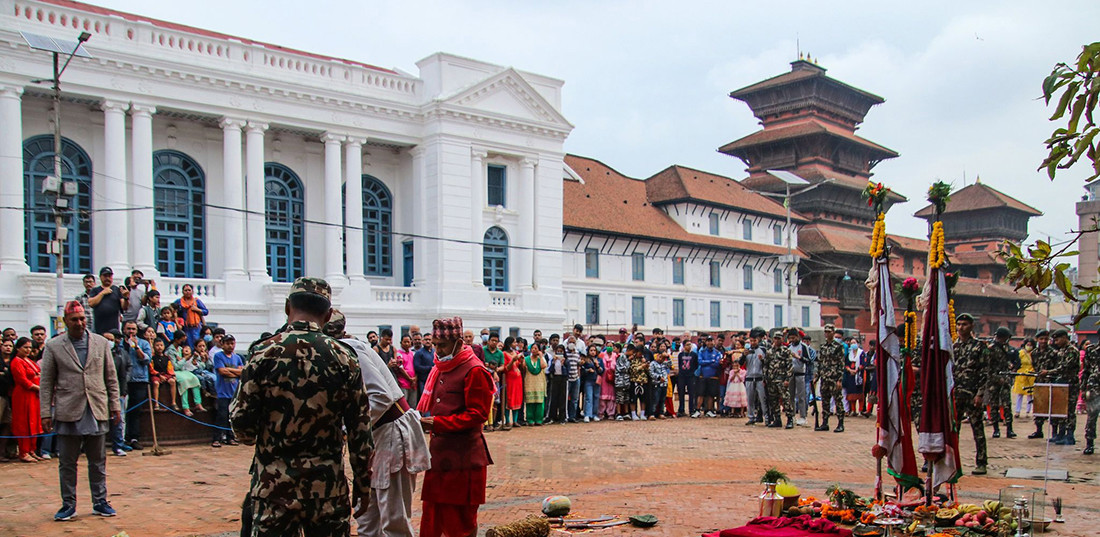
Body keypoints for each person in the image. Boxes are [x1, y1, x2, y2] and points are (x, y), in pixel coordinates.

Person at [231, 278, 373, 536]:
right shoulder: (345, 358)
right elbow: (360, 430)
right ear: (328, 314)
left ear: (288, 307)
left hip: (273, 488)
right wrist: (363, 485)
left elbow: (242, 426)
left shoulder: (262, 353)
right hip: (327, 490)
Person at [323, 310, 429, 537]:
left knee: (394, 521)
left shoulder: (352, 351)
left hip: (391, 436)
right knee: (367, 518)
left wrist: (347, 429)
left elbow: (380, 397)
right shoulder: (339, 353)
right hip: (375, 440)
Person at [39, 300, 122, 520]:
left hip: (96, 408)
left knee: (98, 460)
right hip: (68, 410)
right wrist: (45, 412)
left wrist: (115, 406)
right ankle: (68, 504)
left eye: (82, 319)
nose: (79, 323)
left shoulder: (101, 343)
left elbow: (111, 378)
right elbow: (46, 382)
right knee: (67, 462)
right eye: (74, 319)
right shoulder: (54, 346)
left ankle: (100, 501)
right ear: (65, 321)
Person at [416, 316, 494, 537]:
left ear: (459, 343)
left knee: (459, 521)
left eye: (442, 346)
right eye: (435, 345)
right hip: (440, 457)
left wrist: (439, 423)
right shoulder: (441, 367)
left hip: (465, 459)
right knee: (432, 516)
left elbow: (477, 414)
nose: (437, 351)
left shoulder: (474, 370)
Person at [953, 313, 990, 475]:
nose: (961, 327)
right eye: (959, 324)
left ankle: (981, 462)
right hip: (956, 393)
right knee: (954, 430)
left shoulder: (979, 347)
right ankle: (953, 461)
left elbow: (985, 372)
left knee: (977, 429)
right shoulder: (953, 347)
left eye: (965, 324)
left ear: (972, 326)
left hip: (972, 393)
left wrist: (980, 394)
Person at [1039, 329, 1081, 445]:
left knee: (1070, 410)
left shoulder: (1072, 351)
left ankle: (1070, 435)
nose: (1056, 342)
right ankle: (1060, 434)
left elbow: (1064, 367)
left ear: (1064, 338)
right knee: (1061, 409)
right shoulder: (1061, 350)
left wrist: (1048, 372)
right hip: (1061, 383)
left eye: (1057, 340)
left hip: (1071, 384)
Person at [10, 337, 43, 463]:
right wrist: (37, 388)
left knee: (34, 421)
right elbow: (22, 380)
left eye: (29, 347)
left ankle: (31, 450)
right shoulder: (16, 362)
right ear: (18, 348)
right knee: (24, 422)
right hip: (23, 395)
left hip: (33, 395)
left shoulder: (29, 361)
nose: (28, 350)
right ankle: (23, 451)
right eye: (25, 347)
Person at [121, 320, 151, 450]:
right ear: (124, 330)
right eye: (129, 329)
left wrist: (136, 347)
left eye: (133, 329)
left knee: (135, 411)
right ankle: (121, 438)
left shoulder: (143, 343)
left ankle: (133, 437)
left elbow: (146, 360)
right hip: (123, 381)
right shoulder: (121, 344)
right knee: (122, 410)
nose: (131, 331)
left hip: (139, 380)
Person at [987, 327, 1020, 438]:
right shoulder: (990, 349)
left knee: (1007, 405)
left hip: (1005, 379)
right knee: (994, 405)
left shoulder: (1009, 349)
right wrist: (996, 378)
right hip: (993, 380)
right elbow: (987, 367)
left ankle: (1009, 429)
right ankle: (996, 429)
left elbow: (1015, 362)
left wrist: (1013, 368)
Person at [103, 329, 131, 456]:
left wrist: (122, 390)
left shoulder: (119, 354)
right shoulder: (96, 354)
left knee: (118, 420)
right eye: (107, 339)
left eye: (111, 340)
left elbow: (123, 375)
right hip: (99, 392)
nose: (109, 342)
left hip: (116, 391)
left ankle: (118, 445)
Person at [212, 334, 243, 448]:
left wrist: (229, 370)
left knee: (232, 417)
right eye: (228, 343)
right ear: (222, 344)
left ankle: (230, 437)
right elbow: (222, 371)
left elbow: (241, 372)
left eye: (232, 343)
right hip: (223, 392)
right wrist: (234, 372)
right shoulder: (218, 356)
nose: (230, 346)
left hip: (234, 392)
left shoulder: (238, 357)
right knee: (222, 416)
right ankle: (217, 438)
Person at [816, 324, 846, 433]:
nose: (827, 334)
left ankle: (840, 423)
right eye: (826, 332)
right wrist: (817, 376)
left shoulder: (838, 346)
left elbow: (841, 364)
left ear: (833, 333)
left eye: (829, 332)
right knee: (825, 401)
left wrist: (839, 379)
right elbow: (820, 362)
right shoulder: (823, 346)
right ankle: (825, 423)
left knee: (838, 400)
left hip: (834, 377)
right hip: (824, 377)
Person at [765, 331, 795, 429]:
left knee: (786, 399)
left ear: (782, 339)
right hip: (771, 380)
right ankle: (777, 419)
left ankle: (790, 419)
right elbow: (766, 365)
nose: (777, 340)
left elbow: (790, 366)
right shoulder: (769, 351)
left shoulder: (786, 351)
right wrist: (765, 378)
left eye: (779, 338)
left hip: (782, 379)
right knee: (773, 401)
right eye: (776, 338)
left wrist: (787, 379)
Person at [88, 267, 129, 335]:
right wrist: (102, 293)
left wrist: (126, 298)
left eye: (109, 276)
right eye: (105, 276)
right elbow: (91, 303)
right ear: (100, 277)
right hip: (98, 328)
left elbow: (124, 307)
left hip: (114, 327)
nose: (107, 278)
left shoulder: (117, 290)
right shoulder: (95, 290)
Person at [1028, 330, 1052, 439]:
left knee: (1052, 406)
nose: (1043, 341)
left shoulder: (1053, 353)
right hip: (1038, 382)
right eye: (1041, 339)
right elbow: (1034, 366)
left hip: (1050, 382)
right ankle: (1038, 430)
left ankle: (1054, 432)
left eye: (1046, 339)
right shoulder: (1034, 353)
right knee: (1038, 406)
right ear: (1037, 340)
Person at [172, 341, 205, 417]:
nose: (186, 349)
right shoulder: (177, 354)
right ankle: (185, 407)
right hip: (177, 372)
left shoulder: (193, 357)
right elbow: (177, 366)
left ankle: (198, 403)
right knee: (184, 383)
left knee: (195, 379)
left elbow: (199, 366)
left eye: (188, 348)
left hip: (186, 372)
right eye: (185, 348)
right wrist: (184, 358)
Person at [744, 328, 769, 426]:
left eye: (755, 341)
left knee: (763, 399)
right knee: (750, 399)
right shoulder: (747, 351)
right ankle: (751, 417)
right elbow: (741, 363)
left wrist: (762, 360)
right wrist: (743, 355)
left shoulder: (763, 350)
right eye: (751, 341)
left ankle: (766, 418)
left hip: (760, 377)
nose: (753, 343)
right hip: (749, 377)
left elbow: (767, 364)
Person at [172, 284, 208, 348]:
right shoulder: (179, 301)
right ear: (183, 292)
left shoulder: (196, 301)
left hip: (196, 327)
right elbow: (171, 308)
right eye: (186, 290)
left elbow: (206, 311)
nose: (187, 292)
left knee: (198, 344)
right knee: (187, 345)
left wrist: (197, 310)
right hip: (185, 327)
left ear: (192, 291)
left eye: (189, 290)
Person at [481, 333, 504, 430]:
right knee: (484, 401)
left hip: (496, 380)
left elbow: (503, 365)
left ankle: (493, 423)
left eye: (496, 341)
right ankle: (485, 423)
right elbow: (481, 363)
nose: (494, 342)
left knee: (495, 401)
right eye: (492, 340)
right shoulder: (483, 350)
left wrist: (496, 370)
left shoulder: (500, 353)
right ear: (489, 341)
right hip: (484, 378)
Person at [695, 336, 722, 418]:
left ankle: (709, 410)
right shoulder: (702, 352)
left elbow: (717, 363)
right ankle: (697, 410)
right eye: (708, 341)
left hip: (713, 376)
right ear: (706, 342)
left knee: (711, 394)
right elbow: (700, 362)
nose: (710, 343)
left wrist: (708, 362)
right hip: (703, 376)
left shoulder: (717, 352)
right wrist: (711, 361)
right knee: (701, 394)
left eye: (711, 341)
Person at [522, 341, 548, 426]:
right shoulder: (527, 359)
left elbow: (543, 366)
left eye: (536, 348)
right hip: (530, 382)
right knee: (530, 402)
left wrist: (540, 356)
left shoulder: (541, 359)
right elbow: (523, 366)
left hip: (539, 383)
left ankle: (539, 419)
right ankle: (530, 419)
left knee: (539, 402)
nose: (534, 350)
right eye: (532, 348)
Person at [149, 337, 178, 411]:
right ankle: (156, 403)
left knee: (172, 381)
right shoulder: (152, 357)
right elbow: (151, 369)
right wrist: (159, 375)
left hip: (165, 374)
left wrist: (173, 375)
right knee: (156, 383)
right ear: (154, 346)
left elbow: (170, 368)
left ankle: (173, 402)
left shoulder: (166, 358)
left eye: (161, 345)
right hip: (156, 374)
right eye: (157, 345)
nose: (159, 347)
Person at [1082, 339, 1100, 455]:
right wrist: (1083, 388)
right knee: (1092, 415)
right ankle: (1089, 443)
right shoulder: (1091, 350)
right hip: (1094, 386)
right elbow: (1086, 370)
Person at [503, 337, 524, 427]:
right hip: (509, 379)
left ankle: (515, 421)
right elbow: (506, 368)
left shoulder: (517, 353)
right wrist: (513, 360)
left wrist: (522, 360)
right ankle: (508, 420)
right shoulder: (504, 354)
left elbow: (521, 366)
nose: (516, 344)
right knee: (509, 398)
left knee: (517, 398)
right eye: (514, 342)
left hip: (518, 379)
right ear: (509, 344)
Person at [579, 344, 604, 423]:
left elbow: (602, 371)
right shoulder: (586, 360)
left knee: (596, 397)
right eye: (591, 350)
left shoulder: (599, 360)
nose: (593, 352)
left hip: (597, 380)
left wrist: (598, 366)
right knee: (589, 397)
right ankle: (587, 414)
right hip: (588, 380)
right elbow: (582, 370)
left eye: (594, 350)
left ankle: (594, 414)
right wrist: (587, 370)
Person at [724, 342, 748, 417]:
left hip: (740, 385)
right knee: (733, 398)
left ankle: (741, 412)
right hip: (733, 385)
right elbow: (730, 379)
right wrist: (734, 373)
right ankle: (733, 411)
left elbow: (742, 379)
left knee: (741, 398)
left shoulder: (743, 371)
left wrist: (737, 373)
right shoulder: (731, 371)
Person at [1013, 338, 1036, 418]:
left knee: (1030, 393)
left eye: (1031, 345)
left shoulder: (1034, 353)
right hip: (1021, 373)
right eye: (1028, 345)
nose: (1029, 346)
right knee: (1020, 393)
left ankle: (1028, 411)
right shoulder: (1021, 353)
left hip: (1031, 373)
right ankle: (1017, 411)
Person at [546, 343, 568, 424]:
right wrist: (553, 362)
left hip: (563, 379)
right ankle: (552, 417)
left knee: (562, 398)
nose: (559, 353)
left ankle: (562, 417)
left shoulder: (566, 360)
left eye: (561, 351)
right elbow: (550, 370)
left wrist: (562, 364)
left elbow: (566, 372)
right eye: (557, 351)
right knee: (553, 398)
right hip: (555, 379)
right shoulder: (553, 360)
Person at [677, 336, 698, 417]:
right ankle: (681, 409)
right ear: (684, 346)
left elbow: (696, 365)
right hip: (682, 376)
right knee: (681, 393)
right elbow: (679, 364)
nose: (689, 346)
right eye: (687, 345)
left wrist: (692, 372)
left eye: (690, 345)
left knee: (691, 393)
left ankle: (691, 410)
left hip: (691, 376)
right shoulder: (680, 355)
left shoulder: (694, 355)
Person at [648, 347, 670, 420]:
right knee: (655, 400)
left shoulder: (664, 363)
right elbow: (651, 373)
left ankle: (661, 413)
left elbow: (670, 365)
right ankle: (651, 413)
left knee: (662, 400)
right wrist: (658, 378)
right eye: (659, 356)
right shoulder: (653, 363)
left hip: (664, 384)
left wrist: (668, 357)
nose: (660, 358)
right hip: (656, 384)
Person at [394, 334, 417, 404]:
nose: (407, 344)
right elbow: (400, 368)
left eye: (408, 342)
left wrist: (414, 379)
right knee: (404, 404)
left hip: (413, 384)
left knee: (413, 404)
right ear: (401, 343)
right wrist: (410, 379)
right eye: (405, 342)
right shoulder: (398, 354)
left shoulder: (413, 353)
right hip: (403, 383)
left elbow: (416, 367)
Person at [598, 343, 618, 420]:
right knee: (602, 395)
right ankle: (601, 412)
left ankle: (611, 413)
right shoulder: (602, 355)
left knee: (612, 396)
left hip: (612, 378)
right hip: (603, 378)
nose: (609, 347)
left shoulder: (615, 356)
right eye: (608, 346)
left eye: (611, 346)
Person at [414, 337, 436, 406]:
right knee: (425, 400)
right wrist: (430, 368)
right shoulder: (419, 353)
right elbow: (417, 367)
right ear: (423, 341)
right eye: (426, 340)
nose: (428, 341)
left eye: (429, 340)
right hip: (423, 381)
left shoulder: (434, 352)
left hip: (433, 380)